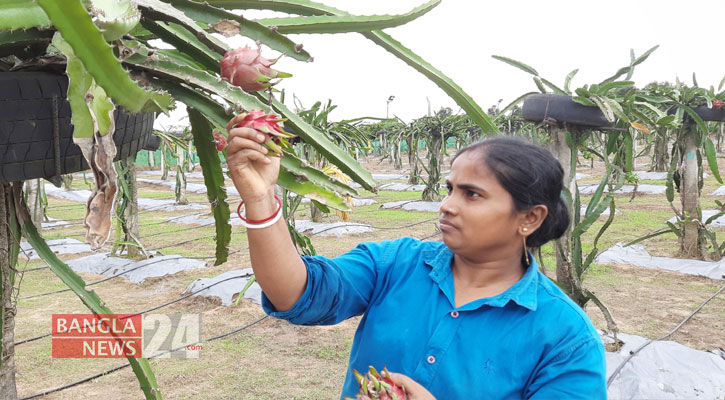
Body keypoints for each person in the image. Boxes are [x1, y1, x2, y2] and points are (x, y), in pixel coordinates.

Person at [225, 114, 607, 400]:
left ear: (529, 218)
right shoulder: (395, 264)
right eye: (450, 189)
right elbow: (296, 293)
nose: (446, 206)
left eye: (471, 195)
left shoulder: (565, 336)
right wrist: (260, 200)